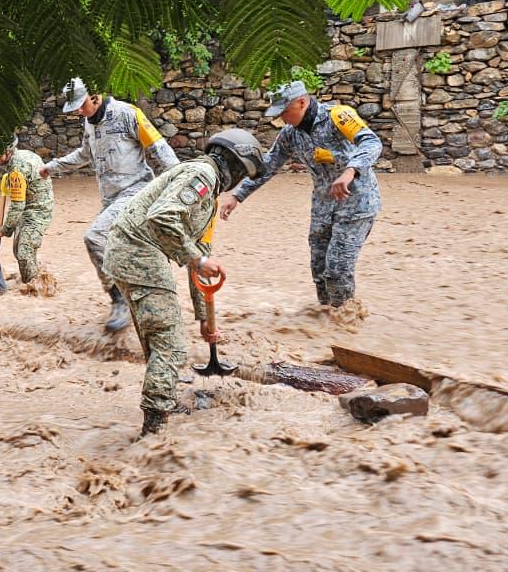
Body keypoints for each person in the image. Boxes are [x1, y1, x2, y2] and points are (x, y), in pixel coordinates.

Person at [102, 128, 265, 437]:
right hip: (138, 255)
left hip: (126, 254)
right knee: (172, 344)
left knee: (157, 337)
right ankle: (155, 430)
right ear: (235, 165)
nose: (238, 182)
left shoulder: (207, 193)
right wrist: (197, 259)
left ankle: (162, 400)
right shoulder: (201, 175)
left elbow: (200, 255)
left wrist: (205, 318)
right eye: (243, 175)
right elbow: (162, 218)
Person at [220, 81, 383, 308]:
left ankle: (345, 321)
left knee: (337, 269)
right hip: (323, 207)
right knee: (319, 269)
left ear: (301, 102)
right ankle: (326, 319)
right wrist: (237, 195)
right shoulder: (290, 135)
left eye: (284, 111)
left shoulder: (339, 116)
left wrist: (350, 170)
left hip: (357, 203)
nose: (282, 118)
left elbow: (372, 142)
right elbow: (267, 166)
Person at [40, 79, 179, 332]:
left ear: (95, 96)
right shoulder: (88, 123)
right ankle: (148, 299)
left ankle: (120, 299)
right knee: (120, 249)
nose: (78, 111)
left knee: (94, 237)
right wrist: (53, 166)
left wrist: (181, 182)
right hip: (111, 200)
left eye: (80, 105)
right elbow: (84, 154)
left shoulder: (128, 114)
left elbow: (159, 148)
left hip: (135, 191)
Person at [0, 137, 54, 288]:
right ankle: (35, 275)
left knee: (24, 252)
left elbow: (17, 206)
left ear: (9, 151)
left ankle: (34, 288)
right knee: (19, 248)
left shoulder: (16, 170)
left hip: (37, 210)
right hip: (34, 206)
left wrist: (3, 231)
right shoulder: (23, 155)